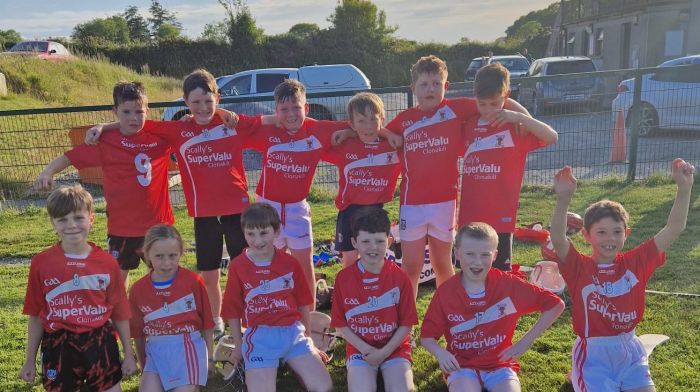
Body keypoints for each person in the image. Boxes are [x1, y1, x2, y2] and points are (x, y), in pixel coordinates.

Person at [87, 69, 267, 335]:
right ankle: (216, 320)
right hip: (203, 215)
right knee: (209, 274)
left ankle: (246, 319)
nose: (203, 107)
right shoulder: (179, 130)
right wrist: (102, 127)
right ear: (185, 102)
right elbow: (137, 123)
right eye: (196, 102)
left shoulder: (231, 124)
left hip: (237, 212)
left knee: (244, 270)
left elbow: (269, 122)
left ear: (217, 97)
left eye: (209, 101)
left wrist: (223, 113)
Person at [383, 55, 530, 297]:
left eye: (436, 84)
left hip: (444, 203)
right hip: (411, 205)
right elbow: (379, 132)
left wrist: (522, 118)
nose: (430, 89)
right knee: (411, 267)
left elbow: (498, 102)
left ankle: (448, 315)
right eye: (424, 84)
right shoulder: (405, 119)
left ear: (446, 86)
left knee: (443, 265)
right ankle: (407, 323)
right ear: (413, 88)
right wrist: (387, 134)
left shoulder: (456, 108)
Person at [550, 160, 695, 392]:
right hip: (594, 354)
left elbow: (674, 228)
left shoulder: (636, 262)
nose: (610, 238)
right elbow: (558, 239)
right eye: (602, 232)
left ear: (626, 233)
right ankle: (578, 373)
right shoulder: (579, 267)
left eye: (617, 232)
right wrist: (563, 199)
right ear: (587, 235)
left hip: (630, 349)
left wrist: (684, 189)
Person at [35, 81, 174, 289]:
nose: (133, 118)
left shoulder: (160, 136)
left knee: (165, 276)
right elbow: (70, 157)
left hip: (158, 223)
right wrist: (48, 171)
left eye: (139, 112)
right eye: (126, 112)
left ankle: (162, 318)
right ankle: (121, 319)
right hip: (122, 226)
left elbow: (189, 127)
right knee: (118, 278)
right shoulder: (107, 142)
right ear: (115, 111)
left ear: (147, 111)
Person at [244, 79, 352, 308]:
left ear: (307, 107)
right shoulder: (269, 130)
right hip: (266, 210)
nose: (291, 114)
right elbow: (236, 124)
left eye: (296, 107)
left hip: (297, 210)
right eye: (284, 109)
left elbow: (362, 123)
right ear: (276, 110)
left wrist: (386, 135)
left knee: (304, 266)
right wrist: (269, 119)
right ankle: (271, 310)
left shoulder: (318, 130)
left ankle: (310, 319)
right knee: (269, 265)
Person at [19, 184, 137, 391]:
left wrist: (128, 353)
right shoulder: (41, 262)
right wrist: (29, 360)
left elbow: (119, 311)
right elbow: (35, 314)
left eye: (78, 218)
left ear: (91, 218)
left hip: (100, 340)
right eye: (62, 219)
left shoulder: (107, 262)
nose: (71, 225)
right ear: (52, 222)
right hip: (59, 344)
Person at [421, 222, 564, 392]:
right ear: (457, 253)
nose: (477, 262)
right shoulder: (446, 292)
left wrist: (525, 342)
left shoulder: (508, 285)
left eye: (485, 255)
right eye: (470, 254)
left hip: (500, 366)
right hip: (462, 366)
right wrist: (441, 353)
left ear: (495, 255)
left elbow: (555, 305)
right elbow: (427, 338)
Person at [220, 203, 332, 392]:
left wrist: (308, 338)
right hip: (260, 337)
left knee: (324, 387)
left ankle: (293, 361)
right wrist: (239, 346)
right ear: (244, 233)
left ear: (276, 231)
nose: (257, 240)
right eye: (250, 234)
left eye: (263, 233)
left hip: (292, 334)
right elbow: (232, 310)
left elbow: (304, 303)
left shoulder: (289, 263)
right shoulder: (238, 266)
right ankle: (269, 365)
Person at [458, 63, 558, 271]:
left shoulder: (516, 128)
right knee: (470, 272)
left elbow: (552, 136)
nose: (487, 110)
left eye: (494, 103)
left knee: (500, 275)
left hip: (501, 218)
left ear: (506, 95)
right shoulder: (468, 124)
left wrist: (520, 116)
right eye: (482, 104)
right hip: (470, 216)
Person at [331, 207, 418, 392]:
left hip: (394, 348)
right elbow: (340, 324)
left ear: (390, 241)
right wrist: (365, 350)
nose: (373, 247)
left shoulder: (400, 277)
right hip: (360, 349)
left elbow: (407, 324)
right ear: (354, 242)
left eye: (379, 241)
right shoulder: (343, 278)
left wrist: (385, 352)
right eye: (366, 241)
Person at [129, 224, 214, 391]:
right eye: (159, 256)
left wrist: (209, 359)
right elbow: (138, 333)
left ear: (181, 253)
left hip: (187, 347)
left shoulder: (193, 282)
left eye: (172, 255)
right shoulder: (138, 289)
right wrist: (143, 364)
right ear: (146, 254)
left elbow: (207, 324)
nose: (166, 263)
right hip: (155, 352)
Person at [324, 93, 401, 267]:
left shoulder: (391, 146)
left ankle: (374, 291)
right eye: (361, 121)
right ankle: (350, 293)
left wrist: (386, 133)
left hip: (376, 212)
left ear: (382, 119)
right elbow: (319, 132)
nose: (368, 127)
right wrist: (348, 132)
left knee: (375, 260)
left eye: (373, 120)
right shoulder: (345, 144)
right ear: (351, 123)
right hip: (349, 212)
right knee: (350, 261)